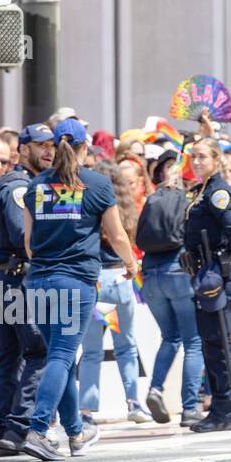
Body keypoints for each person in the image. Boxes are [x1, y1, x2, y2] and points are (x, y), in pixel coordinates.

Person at [19, 118, 140, 462]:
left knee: (61, 357)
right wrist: (131, 265)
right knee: (60, 356)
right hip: (75, 281)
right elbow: (116, 235)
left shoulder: (36, 186)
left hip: (39, 280)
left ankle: (75, 432)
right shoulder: (98, 184)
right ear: (85, 146)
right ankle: (39, 429)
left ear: (54, 147)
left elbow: (28, 243)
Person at [0, 124, 55, 457]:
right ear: (22, 150)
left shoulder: (17, 184)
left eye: (51, 145)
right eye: (40, 145)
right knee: (36, 352)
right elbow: (20, 234)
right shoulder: (19, 186)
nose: (48, 152)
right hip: (14, 280)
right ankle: (18, 428)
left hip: (1, 279)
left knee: (8, 357)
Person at [78, 161, 151, 425]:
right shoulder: (124, 206)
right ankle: (133, 401)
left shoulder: (87, 203)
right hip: (119, 276)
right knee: (127, 345)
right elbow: (123, 238)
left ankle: (86, 410)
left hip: (95, 280)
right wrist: (131, 264)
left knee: (91, 351)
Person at [183, 136, 231, 432]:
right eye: (193, 157)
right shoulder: (203, 190)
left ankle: (225, 411)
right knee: (212, 343)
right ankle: (220, 407)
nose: (196, 162)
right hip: (203, 272)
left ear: (216, 159)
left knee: (219, 343)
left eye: (202, 157)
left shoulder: (218, 191)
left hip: (216, 274)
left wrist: (222, 258)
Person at [139, 160, 204, 428]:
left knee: (169, 337)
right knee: (193, 341)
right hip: (178, 271)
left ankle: (155, 389)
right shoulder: (188, 201)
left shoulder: (152, 200)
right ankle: (190, 407)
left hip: (151, 274)